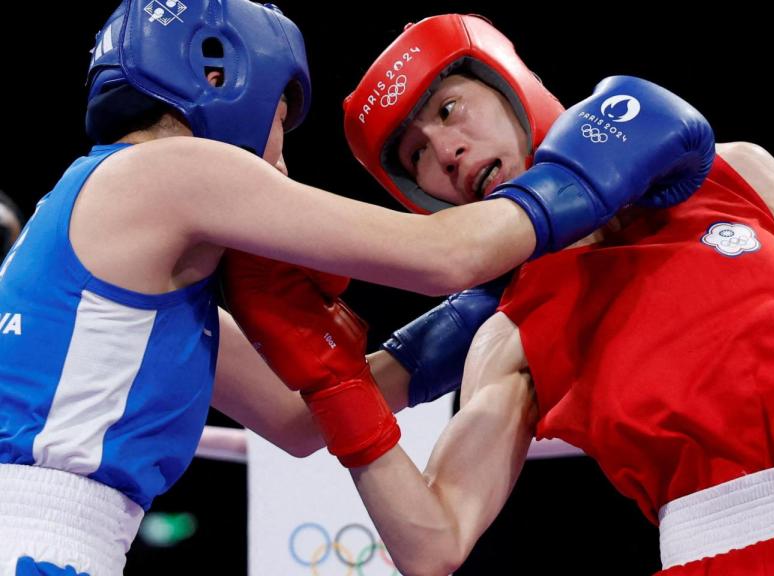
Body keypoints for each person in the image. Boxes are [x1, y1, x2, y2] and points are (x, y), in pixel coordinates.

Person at [227, 13, 774, 576]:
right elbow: (432, 543)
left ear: (509, 82)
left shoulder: (736, 171)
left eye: (449, 108)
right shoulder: (509, 332)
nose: (446, 150)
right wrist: (335, 383)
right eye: (416, 154)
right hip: (719, 555)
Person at [0, 2, 706, 574]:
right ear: (221, 78)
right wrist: (588, 168)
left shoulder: (117, 234)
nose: (279, 156)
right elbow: (447, 254)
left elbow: (295, 418)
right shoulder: (170, 172)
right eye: (283, 122)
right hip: (38, 538)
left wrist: (463, 324)